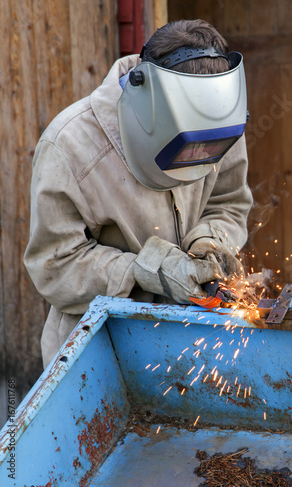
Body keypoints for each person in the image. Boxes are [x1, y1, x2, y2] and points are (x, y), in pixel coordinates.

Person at [24, 19, 253, 368]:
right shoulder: (69, 146)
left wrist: (211, 242)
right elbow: (55, 266)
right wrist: (148, 269)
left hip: (191, 343)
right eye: (187, 145)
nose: (197, 159)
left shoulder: (219, 123)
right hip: (101, 352)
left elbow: (228, 203)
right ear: (150, 110)